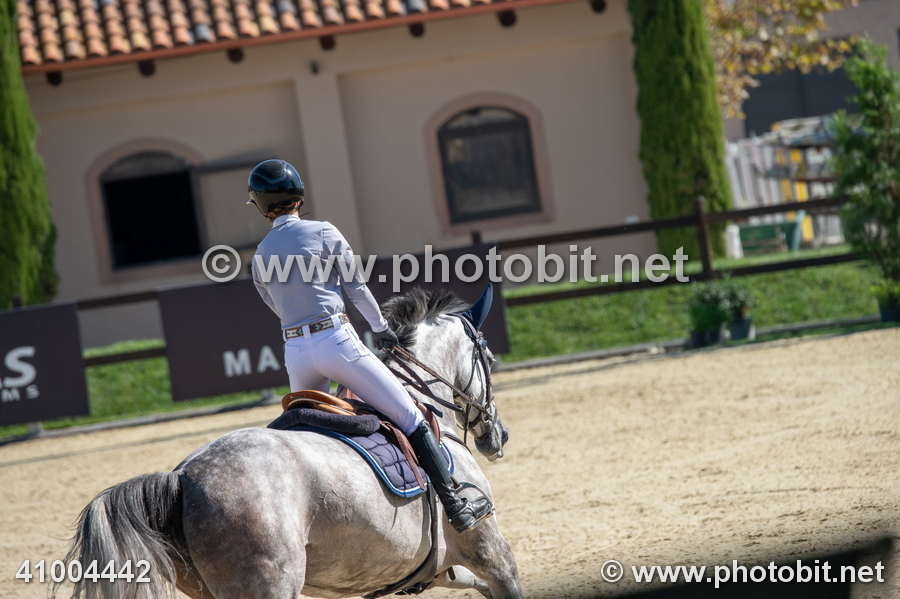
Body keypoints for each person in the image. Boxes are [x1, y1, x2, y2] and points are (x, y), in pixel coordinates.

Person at [247, 159, 492, 533]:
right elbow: (356, 288)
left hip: (295, 352)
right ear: (299, 197)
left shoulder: (262, 253)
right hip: (335, 342)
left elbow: (274, 305)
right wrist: (380, 328)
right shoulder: (323, 232)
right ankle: (455, 504)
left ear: (262, 207)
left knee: (304, 438)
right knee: (411, 415)